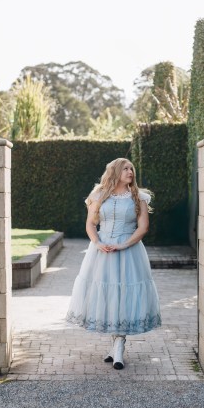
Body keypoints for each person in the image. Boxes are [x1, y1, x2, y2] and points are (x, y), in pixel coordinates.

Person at [65, 158, 162, 370]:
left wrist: (124, 244)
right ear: (115, 172)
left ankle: (119, 346)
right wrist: (98, 243)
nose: (130, 172)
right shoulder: (98, 194)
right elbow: (90, 224)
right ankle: (115, 344)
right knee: (109, 295)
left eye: (131, 169)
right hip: (102, 252)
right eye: (125, 169)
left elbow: (143, 227)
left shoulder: (139, 197)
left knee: (124, 294)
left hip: (130, 251)